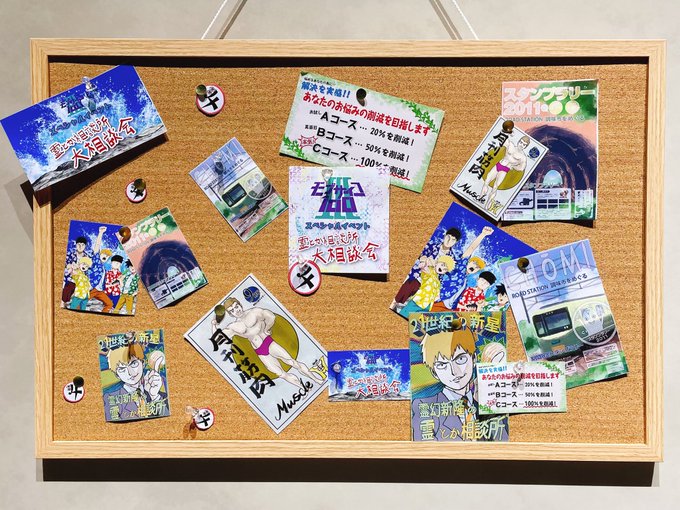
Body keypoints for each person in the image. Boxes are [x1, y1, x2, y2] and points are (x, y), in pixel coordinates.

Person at [411, 323, 507, 442]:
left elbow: (502, 444)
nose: (454, 372)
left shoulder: (484, 402)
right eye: (442, 365)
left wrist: (486, 405)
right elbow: (423, 450)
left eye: (460, 359)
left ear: (474, 358)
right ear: (434, 372)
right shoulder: (424, 406)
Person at [212, 297, 325, 390]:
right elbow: (217, 339)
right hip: (260, 351)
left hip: (268, 342)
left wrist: (267, 328)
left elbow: (271, 316)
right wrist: (213, 325)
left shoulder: (254, 312)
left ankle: (316, 379)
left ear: (240, 305)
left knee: (292, 362)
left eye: (236, 306)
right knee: (281, 374)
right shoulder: (233, 327)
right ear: (231, 314)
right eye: (232, 310)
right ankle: (303, 388)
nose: (236, 310)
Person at [104, 341, 168, 422]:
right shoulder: (110, 399)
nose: (130, 373)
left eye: (133, 364)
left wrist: (154, 396)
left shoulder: (160, 395)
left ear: (143, 363)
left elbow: (167, 422)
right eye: (122, 369)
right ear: (117, 375)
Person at [481, 135, 530, 210]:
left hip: (504, 170)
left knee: (495, 187)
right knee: (486, 181)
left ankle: (488, 203)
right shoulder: (511, 145)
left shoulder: (522, 157)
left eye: (524, 144)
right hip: (499, 164)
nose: (521, 145)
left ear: (525, 147)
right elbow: (503, 139)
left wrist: (513, 166)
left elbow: (521, 168)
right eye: (521, 142)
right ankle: (480, 197)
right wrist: (510, 134)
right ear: (518, 141)